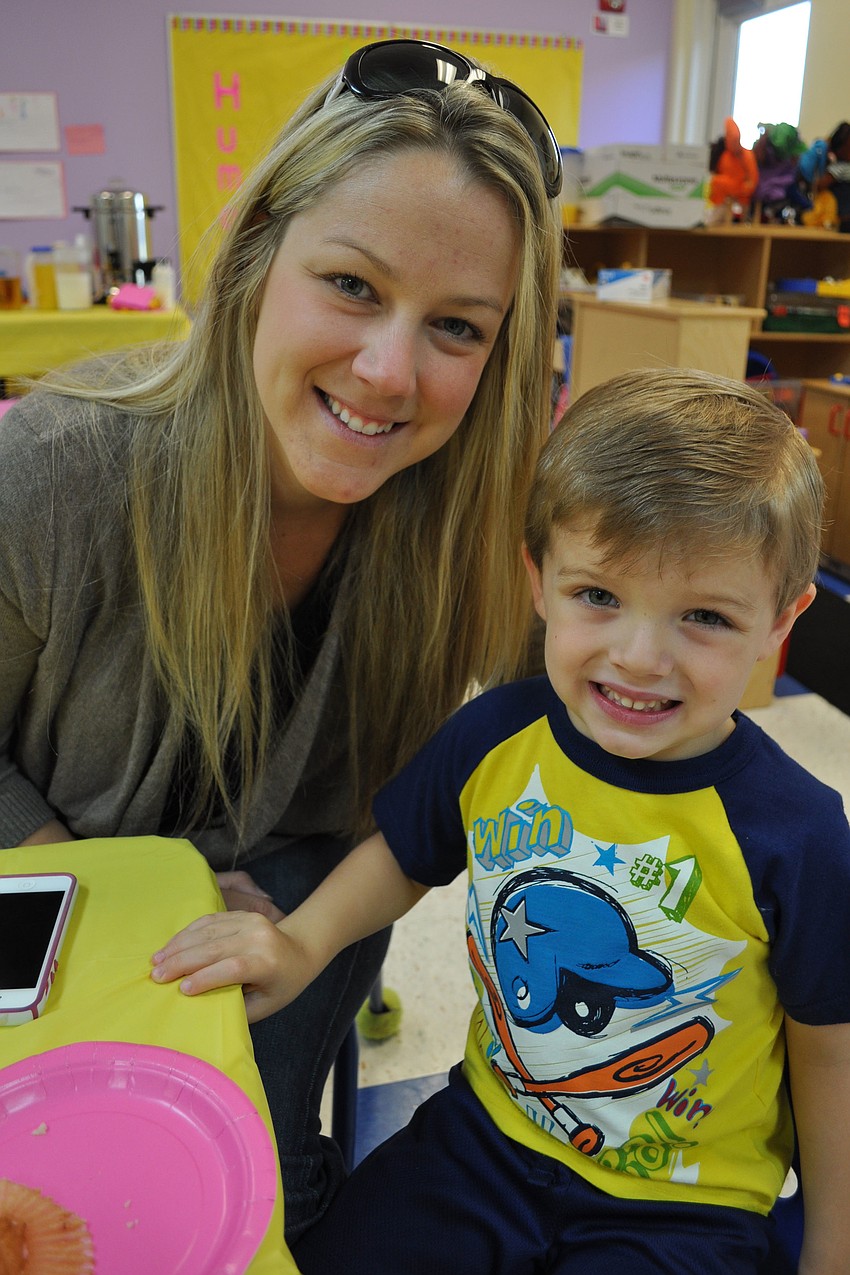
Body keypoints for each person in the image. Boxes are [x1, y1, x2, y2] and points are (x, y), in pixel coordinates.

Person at [0, 39, 563, 1240]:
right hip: (53, 876)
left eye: (457, 327)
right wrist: (132, 898)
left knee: (256, 1159)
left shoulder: (484, 520)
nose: (388, 372)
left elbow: (588, 722)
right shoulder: (50, 472)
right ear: (258, 248)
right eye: (352, 285)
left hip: (307, 886)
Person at [153, 367, 850, 1274]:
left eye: (705, 616)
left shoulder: (800, 832)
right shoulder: (497, 735)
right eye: (599, 595)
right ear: (539, 580)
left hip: (684, 1209)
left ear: (782, 621)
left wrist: (832, 1243)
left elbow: (829, 1051)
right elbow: (404, 853)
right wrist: (299, 943)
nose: (640, 657)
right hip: (484, 1141)